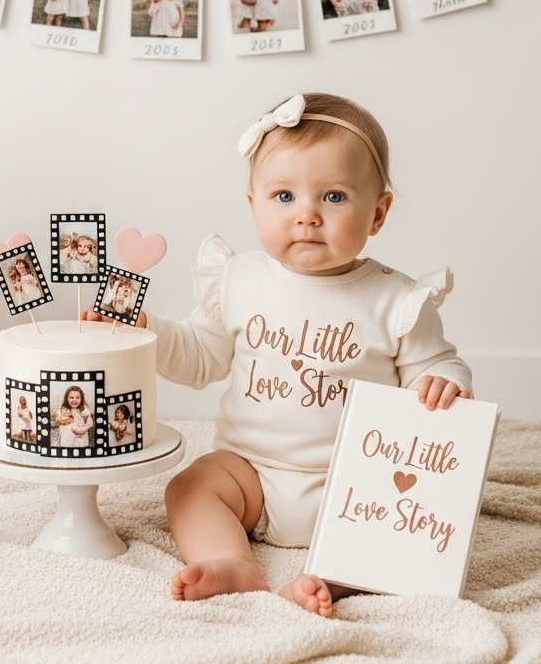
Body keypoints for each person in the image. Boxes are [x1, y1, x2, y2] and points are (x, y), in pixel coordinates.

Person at [90, 92, 472, 616]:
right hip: (251, 475)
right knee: (190, 487)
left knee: (393, 535)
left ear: (378, 213)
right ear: (254, 204)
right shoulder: (239, 280)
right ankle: (231, 561)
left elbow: (435, 363)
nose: (307, 216)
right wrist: (146, 331)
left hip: (351, 483)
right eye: (284, 196)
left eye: (334, 196)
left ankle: (328, 580)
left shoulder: (397, 301)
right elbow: (199, 356)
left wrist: (444, 380)